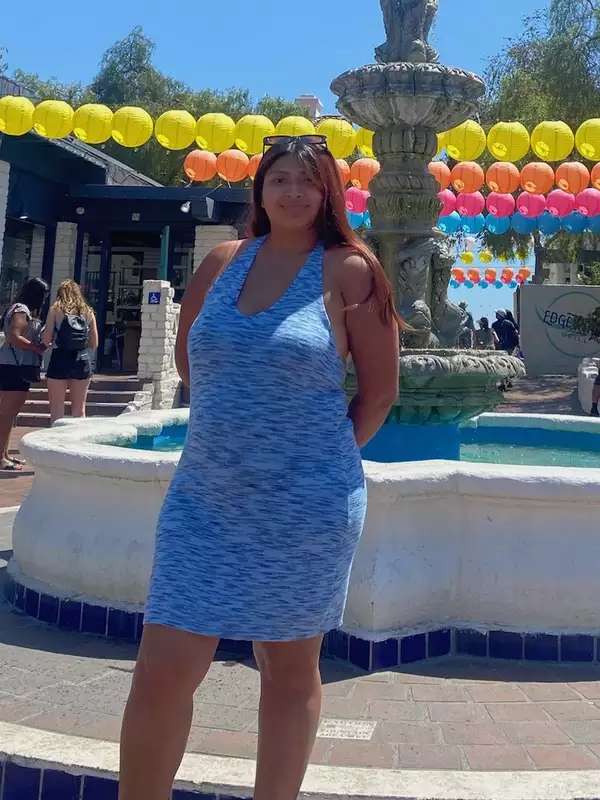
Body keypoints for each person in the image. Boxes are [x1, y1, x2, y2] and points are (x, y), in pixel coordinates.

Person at [119, 134, 401, 800]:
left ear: (329, 192)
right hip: (204, 500)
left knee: (288, 669)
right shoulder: (221, 261)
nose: (294, 192)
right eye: (281, 179)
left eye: (309, 180)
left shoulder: (350, 270)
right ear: (260, 189)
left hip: (304, 510)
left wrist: (315, 461)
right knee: (161, 671)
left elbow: (381, 392)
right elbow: (192, 362)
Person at [0, 278, 49, 470]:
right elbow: (14, 336)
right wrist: (36, 348)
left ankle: (4, 454)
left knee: (8, 413)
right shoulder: (21, 310)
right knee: (7, 413)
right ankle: (1, 458)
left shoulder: (17, 308)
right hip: (15, 367)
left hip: (10, 365)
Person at [42, 280, 99, 424]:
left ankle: (56, 443)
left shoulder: (55, 309)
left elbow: (46, 340)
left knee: (56, 410)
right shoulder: (88, 311)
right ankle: (77, 443)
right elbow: (94, 343)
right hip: (81, 360)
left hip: (59, 358)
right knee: (79, 411)